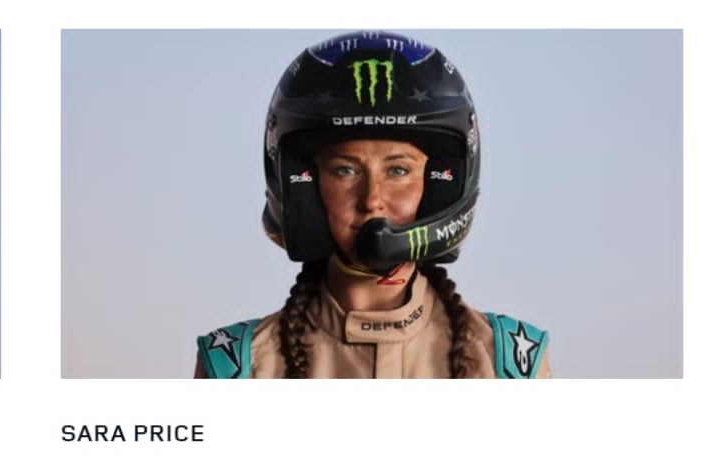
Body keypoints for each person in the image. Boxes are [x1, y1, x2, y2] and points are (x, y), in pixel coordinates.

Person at [195, 31, 549, 379]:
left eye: (398, 170)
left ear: (441, 182)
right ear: (305, 183)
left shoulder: (509, 364)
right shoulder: (238, 368)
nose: (372, 201)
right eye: (344, 170)